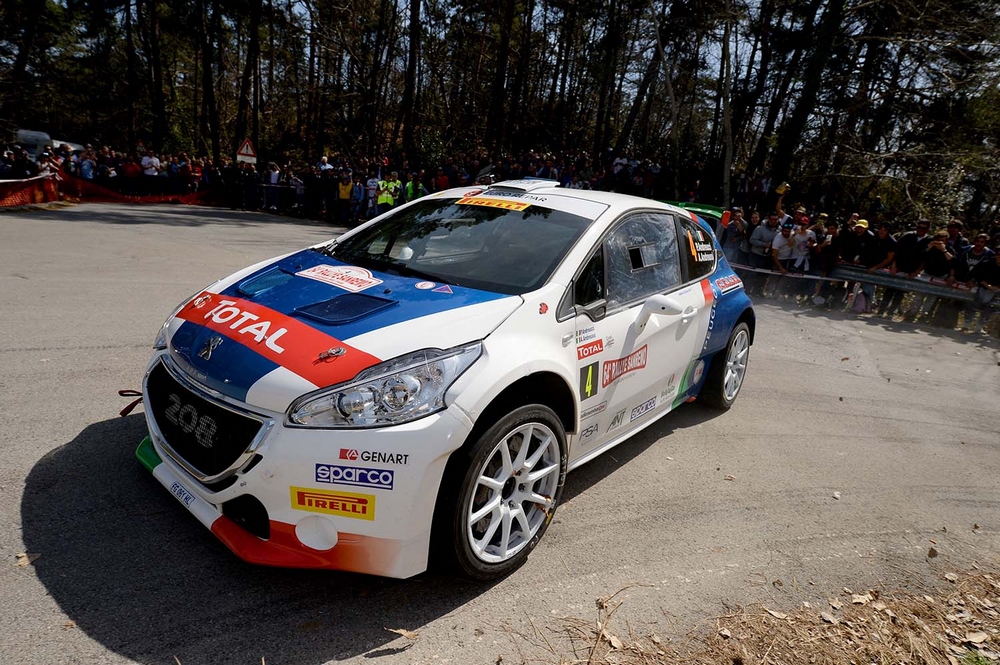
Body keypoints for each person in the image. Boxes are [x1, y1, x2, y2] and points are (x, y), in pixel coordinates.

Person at [965, 251, 1000, 334]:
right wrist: (988, 286)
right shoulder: (987, 263)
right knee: (974, 306)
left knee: (989, 309)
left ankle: (979, 328)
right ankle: (966, 326)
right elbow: (978, 275)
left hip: (996, 290)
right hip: (983, 287)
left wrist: (996, 287)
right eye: (998, 255)